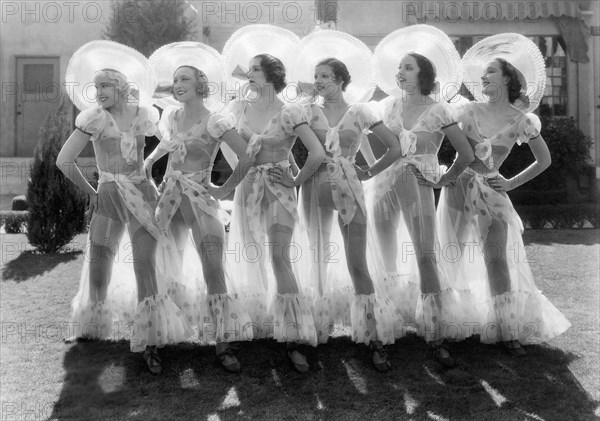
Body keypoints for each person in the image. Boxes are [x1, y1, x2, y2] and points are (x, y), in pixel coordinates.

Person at [430, 33, 571, 355]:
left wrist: (510, 183)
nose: (483, 77)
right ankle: (451, 323)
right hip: (458, 188)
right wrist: (438, 174)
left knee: (497, 260)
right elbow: (439, 138)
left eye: (490, 71)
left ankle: (508, 330)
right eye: (483, 74)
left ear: (508, 77)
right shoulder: (466, 112)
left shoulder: (522, 121)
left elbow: (544, 160)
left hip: (491, 192)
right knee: (452, 254)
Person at [57, 41, 192, 375]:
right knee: (100, 259)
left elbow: (169, 140)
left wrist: (157, 169)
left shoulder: (145, 114)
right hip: (108, 196)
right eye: (95, 86)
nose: (98, 92)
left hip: (142, 196)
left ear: (121, 88)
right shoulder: (93, 119)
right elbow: (64, 161)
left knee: (145, 264)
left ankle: (151, 340)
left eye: (105, 86)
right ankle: (91, 325)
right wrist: (92, 192)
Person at [287, 30, 403, 372]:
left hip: (350, 190)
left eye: (326, 76)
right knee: (317, 260)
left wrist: (368, 171)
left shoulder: (361, 112)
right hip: (314, 191)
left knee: (357, 263)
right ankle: (314, 330)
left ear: (340, 80)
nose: (319, 81)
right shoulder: (306, 112)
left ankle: (372, 336)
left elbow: (395, 148)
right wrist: (294, 176)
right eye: (316, 76)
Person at [367, 25, 477, 367]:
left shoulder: (440, 110)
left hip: (418, 185)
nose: (400, 72)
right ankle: (383, 332)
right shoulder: (386, 107)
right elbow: (375, 147)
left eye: (408, 67)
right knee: (383, 258)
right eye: (398, 67)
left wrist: (442, 180)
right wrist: (370, 172)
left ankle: (435, 334)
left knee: (425, 255)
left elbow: (466, 155)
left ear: (424, 74)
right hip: (384, 185)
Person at [145, 42, 255, 372]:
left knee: (212, 267)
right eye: (175, 80)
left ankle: (223, 342)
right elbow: (156, 157)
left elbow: (247, 156)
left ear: (200, 86)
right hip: (169, 198)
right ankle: (154, 339)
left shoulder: (216, 121)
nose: (177, 85)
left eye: (185, 80)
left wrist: (223, 189)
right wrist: (151, 179)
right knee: (160, 267)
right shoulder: (170, 117)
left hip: (200, 199)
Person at [224, 50, 326, 373]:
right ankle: (249, 325)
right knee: (248, 255)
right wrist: (231, 182)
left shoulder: (290, 112)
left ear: (270, 75)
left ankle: (294, 338)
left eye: (256, 69)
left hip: (279, 191)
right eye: (250, 69)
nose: (249, 74)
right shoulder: (239, 108)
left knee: (280, 258)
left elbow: (318, 153)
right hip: (248, 188)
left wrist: (295, 177)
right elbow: (232, 149)